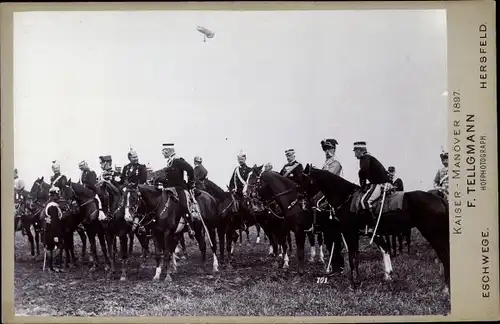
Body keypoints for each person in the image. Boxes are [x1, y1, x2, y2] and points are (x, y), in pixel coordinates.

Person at [155, 143, 198, 238]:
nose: (162, 153)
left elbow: (190, 169)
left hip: (179, 188)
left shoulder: (178, 161)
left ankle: (190, 226)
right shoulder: (169, 162)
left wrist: (190, 182)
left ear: (169, 151)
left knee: (184, 205)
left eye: (164, 151)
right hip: (168, 188)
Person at [354, 141, 392, 227]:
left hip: (380, 184)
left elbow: (364, 171)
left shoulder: (365, 158)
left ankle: (373, 226)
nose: (355, 154)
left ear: (360, 151)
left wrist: (362, 184)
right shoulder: (368, 158)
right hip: (378, 182)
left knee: (365, 201)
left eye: (355, 151)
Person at [118, 149, 148, 225]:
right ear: (129, 158)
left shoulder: (141, 167)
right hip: (127, 188)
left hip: (138, 188)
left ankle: (144, 217)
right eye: (134, 157)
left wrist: (135, 185)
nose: (136, 158)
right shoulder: (126, 167)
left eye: (136, 157)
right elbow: (122, 178)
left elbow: (143, 179)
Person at [312, 139, 343, 210]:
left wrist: (317, 171)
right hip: (324, 189)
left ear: (334, 150)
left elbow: (328, 177)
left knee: (319, 205)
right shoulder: (326, 164)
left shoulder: (336, 163)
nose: (327, 151)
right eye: (325, 149)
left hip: (333, 190)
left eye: (329, 149)